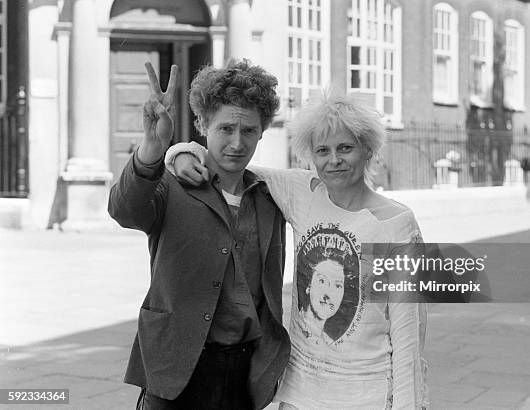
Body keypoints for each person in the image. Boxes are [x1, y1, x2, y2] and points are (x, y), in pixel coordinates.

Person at [166, 92, 429, 409]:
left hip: (366, 394)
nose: (334, 160)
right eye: (323, 151)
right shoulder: (301, 193)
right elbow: (230, 163)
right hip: (300, 392)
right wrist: (182, 152)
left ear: (368, 149)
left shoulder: (397, 223)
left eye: (345, 148)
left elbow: (408, 334)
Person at [107, 60, 290, 410]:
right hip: (174, 367)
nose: (237, 143)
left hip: (245, 372)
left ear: (263, 131)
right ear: (204, 125)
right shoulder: (172, 183)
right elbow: (124, 210)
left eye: (249, 130)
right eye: (225, 129)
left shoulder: (270, 198)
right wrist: (155, 148)